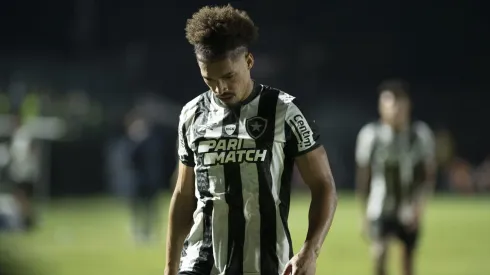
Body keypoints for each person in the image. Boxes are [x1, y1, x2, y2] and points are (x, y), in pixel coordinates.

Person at [165, 5, 337, 275]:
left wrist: (310, 250)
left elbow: (323, 184)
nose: (220, 88)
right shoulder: (191, 115)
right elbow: (184, 195)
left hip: (265, 263)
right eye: (209, 79)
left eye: (228, 76)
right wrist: (171, 267)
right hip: (200, 261)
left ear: (248, 61)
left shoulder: (284, 110)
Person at [355, 79, 437, 275]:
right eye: (390, 105)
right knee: (379, 252)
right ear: (381, 107)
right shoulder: (370, 135)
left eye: (399, 105)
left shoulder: (420, 135)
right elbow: (363, 175)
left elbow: (428, 175)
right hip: (379, 206)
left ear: (408, 106)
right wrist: (362, 211)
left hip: (409, 206)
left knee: (408, 260)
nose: (395, 111)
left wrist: (419, 206)